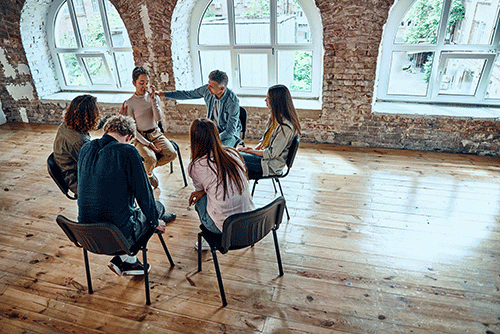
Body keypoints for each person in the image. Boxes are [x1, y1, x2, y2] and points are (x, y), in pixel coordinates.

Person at [77, 115, 176, 276]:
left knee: (124, 210)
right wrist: (154, 222)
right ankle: (128, 260)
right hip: (115, 236)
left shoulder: (85, 148)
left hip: (86, 234)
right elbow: (144, 194)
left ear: (107, 130)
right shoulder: (128, 151)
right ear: (129, 137)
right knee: (157, 208)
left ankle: (121, 260)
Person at [188, 119, 254, 250]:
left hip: (224, 229)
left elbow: (201, 189)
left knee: (200, 201)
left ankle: (208, 241)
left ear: (194, 140)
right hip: (251, 221)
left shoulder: (196, 166)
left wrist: (201, 192)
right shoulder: (233, 153)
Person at [120, 66, 177, 188]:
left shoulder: (153, 97)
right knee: (150, 159)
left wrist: (153, 101)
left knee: (172, 154)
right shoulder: (129, 102)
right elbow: (133, 128)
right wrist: (148, 143)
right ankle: (149, 175)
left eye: (147, 83)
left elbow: (158, 119)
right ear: (133, 83)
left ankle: (147, 171)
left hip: (155, 133)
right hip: (139, 136)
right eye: (141, 83)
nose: (145, 86)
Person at [156, 70, 241, 147]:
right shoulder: (207, 90)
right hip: (213, 128)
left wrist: (213, 139)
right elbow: (187, 94)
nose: (208, 88)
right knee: (198, 146)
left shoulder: (233, 101)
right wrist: (162, 94)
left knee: (221, 150)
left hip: (228, 134)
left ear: (222, 89)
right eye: (208, 84)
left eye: (211, 86)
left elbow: (230, 131)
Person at [238, 84, 301, 177]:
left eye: (268, 98)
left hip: (269, 165)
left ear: (276, 101)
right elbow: (264, 141)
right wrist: (252, 150)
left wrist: (250, 152)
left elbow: (271, 154)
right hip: (262, 158)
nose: (265, 100)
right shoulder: (275, 117)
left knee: (232, 159)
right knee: (232, 155)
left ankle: (234, 188)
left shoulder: (286, 127)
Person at [53, 94, 100, 195]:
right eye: (95, 111)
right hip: (78, 182)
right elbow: (95, 166)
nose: (97, 113)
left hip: (73, 170)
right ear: (87, 116)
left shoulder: (66, 125)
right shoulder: (79, 142)